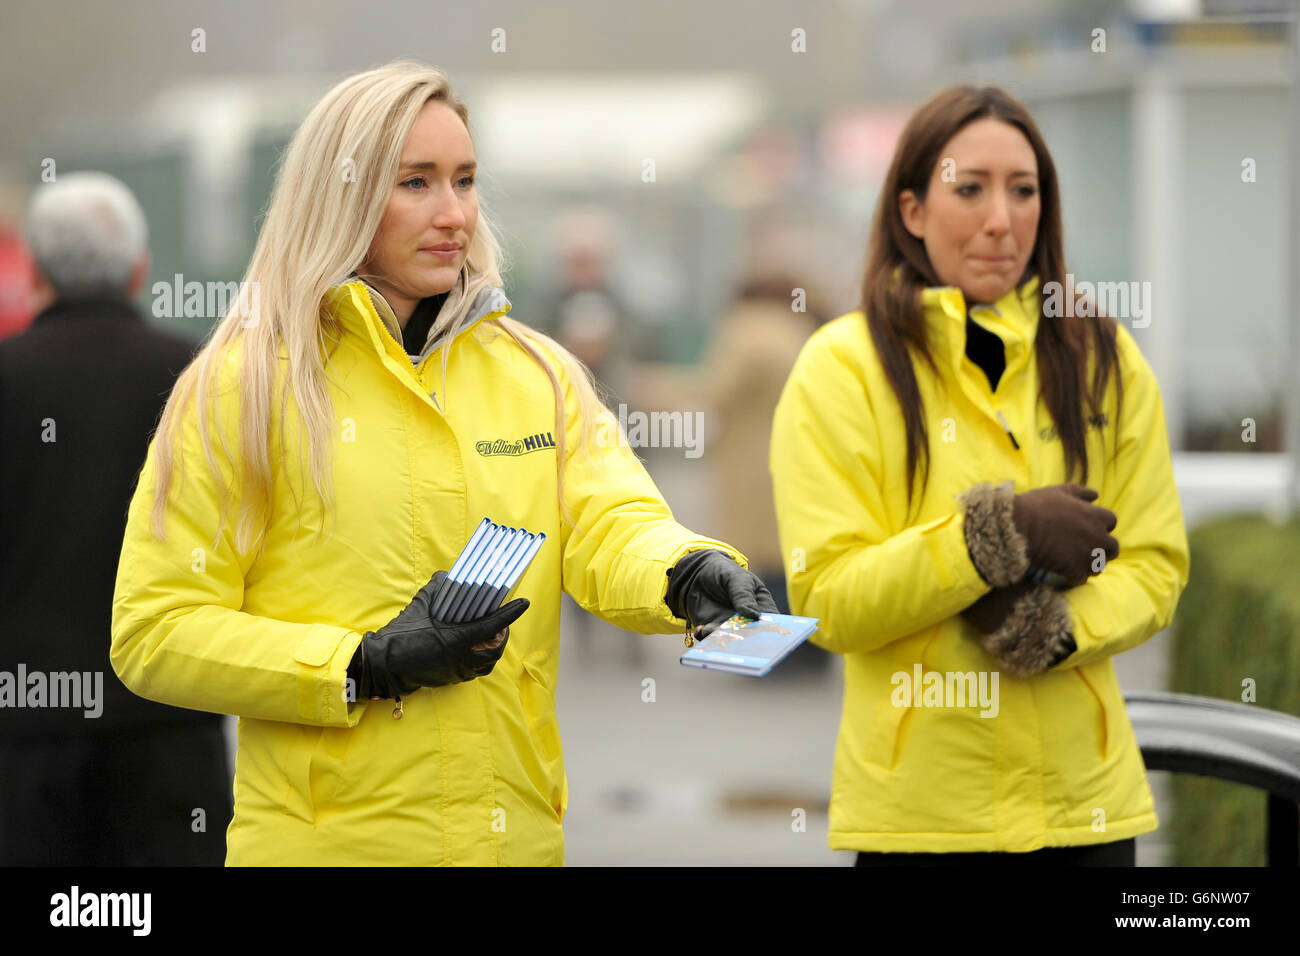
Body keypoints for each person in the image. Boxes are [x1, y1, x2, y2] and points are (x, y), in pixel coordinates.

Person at [109, 60, 774, 867]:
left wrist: (684, 570)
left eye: (464, 180)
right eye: (416, 182)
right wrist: (361, 665)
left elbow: (612, 524)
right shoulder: (242, 386)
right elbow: (156, 632)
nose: (453, 212)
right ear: (342, 194)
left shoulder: (539, 373)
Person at [769, 85, 1189, 865]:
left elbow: (1157, 565)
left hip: (1088, 815)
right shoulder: (841, 368)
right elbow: (826, 599)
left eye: (1024, 191)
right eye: (969, 189)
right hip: (920, 822)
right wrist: (990, 539)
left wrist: (1061, 631)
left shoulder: (1104, 356)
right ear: (912, 211)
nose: (1002, 219)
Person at [0, 171, 229, 865]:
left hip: (23, 737)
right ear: (140, 271)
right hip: (170, 727)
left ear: (34, 273)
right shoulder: (198, 382)